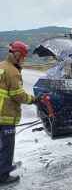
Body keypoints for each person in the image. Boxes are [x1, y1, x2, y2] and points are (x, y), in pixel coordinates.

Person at [0, 41, 36, 185]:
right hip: (5, 115)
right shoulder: (13, 72)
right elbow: (18, 95)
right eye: (23, 57)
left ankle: (3, 168)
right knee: (7, 146)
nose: (24, 60)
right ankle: (3, 176)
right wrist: (34, 100)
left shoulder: (2, 66)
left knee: (1, 145)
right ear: (17, 55)